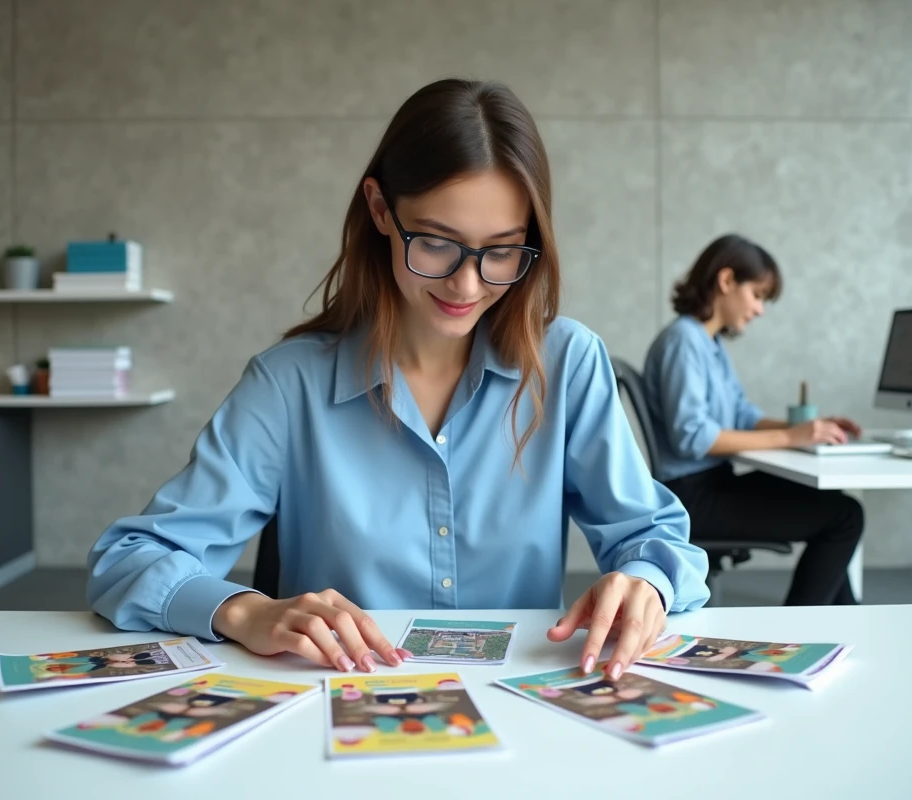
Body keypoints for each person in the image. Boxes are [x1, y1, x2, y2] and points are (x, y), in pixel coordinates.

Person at [86, 78, 710, 681]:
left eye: (501, 251)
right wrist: (245, 610)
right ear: (381, 209)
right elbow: (127, 561)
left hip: (521, 710)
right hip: (342, 708)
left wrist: (647, 583)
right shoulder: (288, 384)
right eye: (436, 243)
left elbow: (656, 538)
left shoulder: (567, 363)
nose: (466, 285)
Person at [642, 234, 864, 606]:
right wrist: (790, 438)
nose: (760, 309)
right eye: (758, 295)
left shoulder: (709, 343)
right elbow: (693, 437)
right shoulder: (683, 341)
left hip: (711, 485)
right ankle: (798, 629)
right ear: (727, 280)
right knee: (845, 517)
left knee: (833, 504)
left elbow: (742, 414)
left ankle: (846, 618)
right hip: (691, 499)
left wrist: (809, 428)